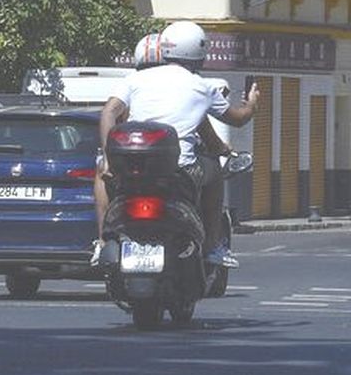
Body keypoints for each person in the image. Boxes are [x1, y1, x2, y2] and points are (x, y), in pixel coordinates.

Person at [97, 21, 261, 269]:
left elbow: (108, 112)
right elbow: (237, 119)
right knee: (214, 172)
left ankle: (100, 243)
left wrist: (109, 159)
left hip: (132, 168)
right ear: (199, 52)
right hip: (180, 171)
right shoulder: (203, 87)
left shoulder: (135, 79)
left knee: (100, 174)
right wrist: (252, 104)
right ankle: (212, 246)